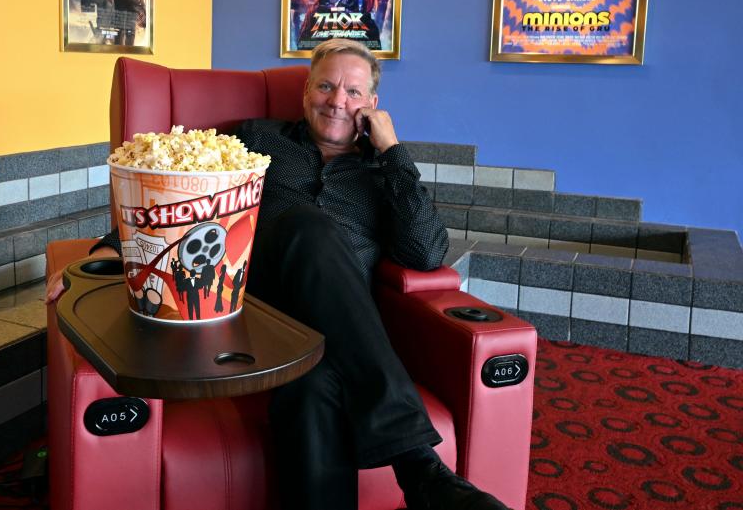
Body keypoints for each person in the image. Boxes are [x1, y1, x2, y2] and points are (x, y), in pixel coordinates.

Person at [45, 40, 511, 510]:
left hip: (334, 330)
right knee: (307, 226)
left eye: (353, 92)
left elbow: (428, 252)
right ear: (307, 89)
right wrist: (106, 249)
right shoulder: (257, 140)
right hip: (249, 307)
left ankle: (418, 473)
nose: (337, 100)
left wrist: (391, 150)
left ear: (372, 106)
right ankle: (419, 468)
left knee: (312, 387)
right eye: (326, 85)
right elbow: (182, 204)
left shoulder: (385, 171)